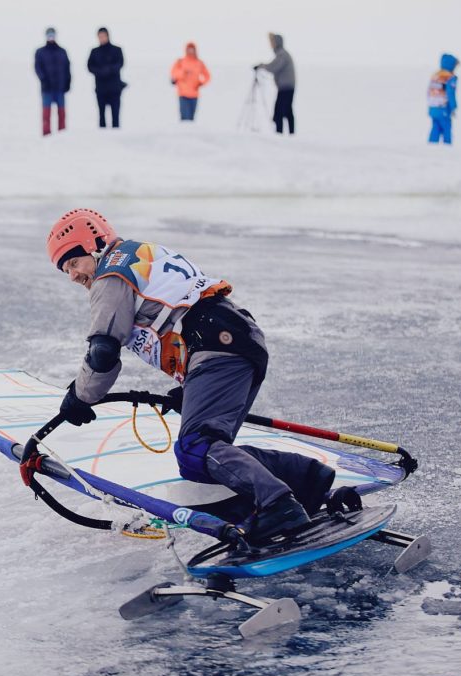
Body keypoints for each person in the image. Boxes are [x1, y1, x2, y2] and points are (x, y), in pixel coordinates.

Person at [47, 208, 335, 542]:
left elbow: (103, 353)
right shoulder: (140, 253)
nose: (73, 276)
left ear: (95, 244)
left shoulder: (111, 275)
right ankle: (309, 484)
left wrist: (78, 398)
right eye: (65, 270)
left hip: (218, 349)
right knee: (207, 454)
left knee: (197, 448)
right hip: (237, 340)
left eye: (73, 263)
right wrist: (191, 387)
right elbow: (179, 308)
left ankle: (279, 505)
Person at [255, 33, 295, 135]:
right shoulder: (282, 54)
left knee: (279, 112)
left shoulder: (282, 54)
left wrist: (261, 66)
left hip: (286, 87)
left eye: (272, 42)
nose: (270, 44)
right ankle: (290, 134)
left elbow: (274, 67)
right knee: (287, 110)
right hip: (286, 86)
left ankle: (280, 134)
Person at [34, 28, 71, 137]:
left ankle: (62, 133)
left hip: (60, 87)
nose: (51, 37)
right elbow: (37, 68)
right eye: (49, 35)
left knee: (61, 112)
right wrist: (44, 80)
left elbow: (67, 68)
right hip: (47, 88)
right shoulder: (40, 52)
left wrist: (68, 82)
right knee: (46, 113)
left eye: (52, 35)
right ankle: (46, 134)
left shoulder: (62, 51)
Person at [87, 27, 125, 129]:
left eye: (103, 36)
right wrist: (100, 72)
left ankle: (117, 138)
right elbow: (90, 66)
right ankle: (102, 140)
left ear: (108, 36)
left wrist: (108, 70)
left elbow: (120, 64)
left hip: (114, 88)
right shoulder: (95, 52)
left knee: (115, 116)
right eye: (100, 36)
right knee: (102, 116)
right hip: (101, 88)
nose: (102, 38)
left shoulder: (117, 50)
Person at [170, 42, 210, 121]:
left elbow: (207, 76)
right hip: (183, 94)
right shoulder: (180, 62)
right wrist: (183, 73)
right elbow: (173, 74)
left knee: (191, 119)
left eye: (192, 49)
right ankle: (182, 132)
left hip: (194, 94)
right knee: (185, 118)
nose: (190, 51)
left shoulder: (199, 63)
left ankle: (190, 132)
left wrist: (201, 83)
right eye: (189, 49)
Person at [428, 53, 459, 145]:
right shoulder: (450, 77)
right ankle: (447, 147)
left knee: (435, 128)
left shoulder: (435, 75)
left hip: (433, 107)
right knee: (446, 128)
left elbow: (429, 91)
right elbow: (450, 93)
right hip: (443, 108)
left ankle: (431, 147)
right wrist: (453, 107)